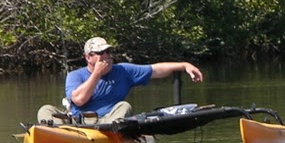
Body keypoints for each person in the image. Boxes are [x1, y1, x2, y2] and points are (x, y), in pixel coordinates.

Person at [36, 36, 204, 124]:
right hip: (79, 123)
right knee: (45, 110)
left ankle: (112, 135)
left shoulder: (123, 70)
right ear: (88, 57)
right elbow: (79, 100)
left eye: (109, 52)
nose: (107, 56)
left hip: (109, 124)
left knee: (125, 106)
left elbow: (155, 70)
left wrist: (184, 65)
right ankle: (58, 135)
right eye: (101, 53)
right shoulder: (75, 76)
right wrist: (97, 74)